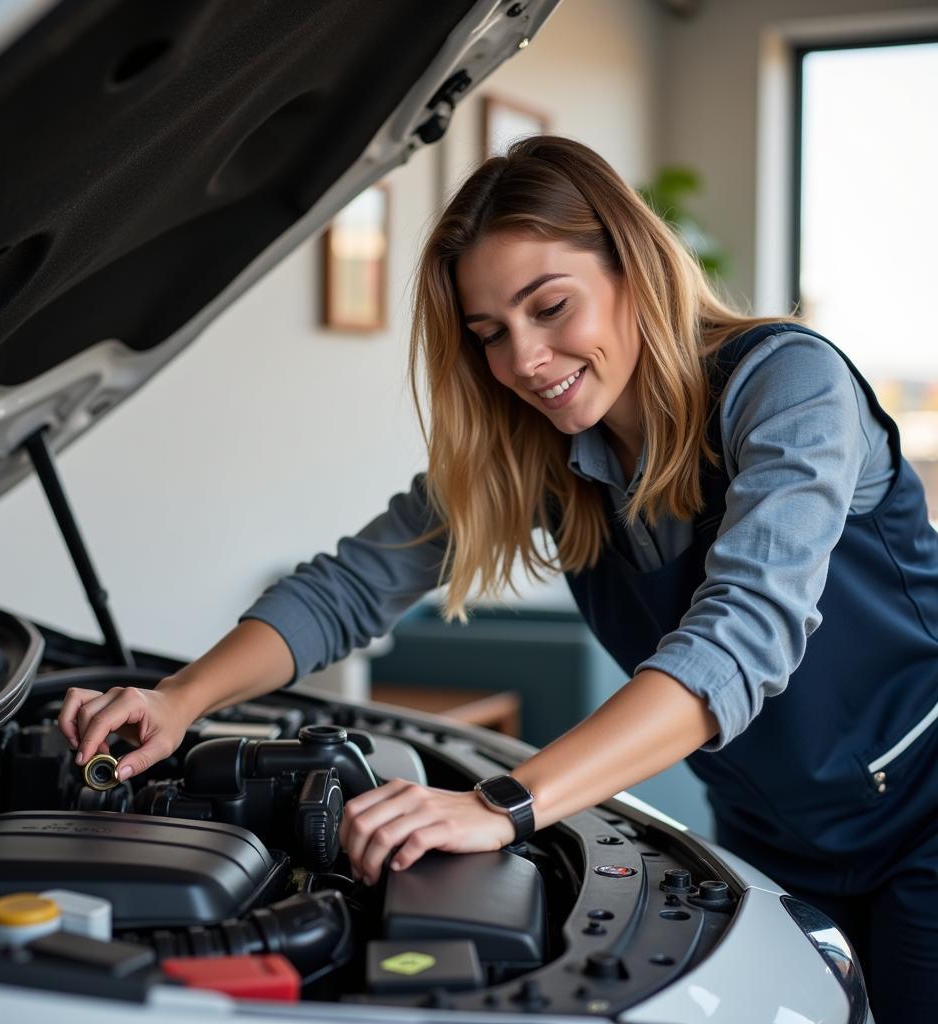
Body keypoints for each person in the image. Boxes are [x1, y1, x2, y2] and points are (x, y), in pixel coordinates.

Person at [58, 135, 937, 1022]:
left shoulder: (788, 382)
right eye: (491, 334)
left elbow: (740, 639)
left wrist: (504, 803)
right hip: (773, 831)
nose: (523, 360)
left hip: (925, 820)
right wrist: (180, 699)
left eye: (550, 306)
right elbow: (350, 587)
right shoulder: (541, 452)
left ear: (634, 268)